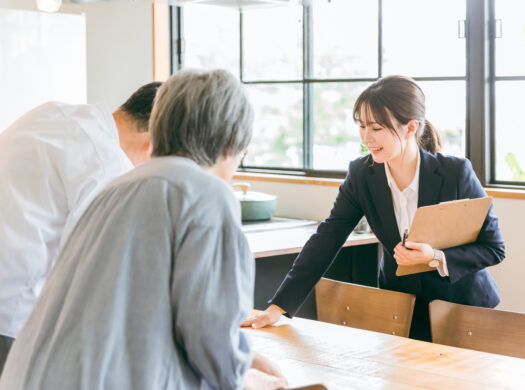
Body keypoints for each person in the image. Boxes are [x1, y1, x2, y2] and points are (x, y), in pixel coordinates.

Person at [0, 69, 287, 390]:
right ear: (232, 142)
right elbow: (209, 335)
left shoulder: (118, 185)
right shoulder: (206, 193)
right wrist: (251, 377)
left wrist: (240, 358)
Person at [242, 75, 505, 341]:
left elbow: (493, 248)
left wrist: (434, 257)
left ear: (410, 128)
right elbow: (327, 238)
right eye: (362, 126)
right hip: (400, 313)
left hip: (463, 313)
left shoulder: (455, 173)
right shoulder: (361, 174)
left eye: (377, 128)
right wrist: (279, 307)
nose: (367, 137)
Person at [0, 81, 161, 374]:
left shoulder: (54, 113)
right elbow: (98, 272)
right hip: (14, 316)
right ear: (153, 143)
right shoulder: (107, 164)